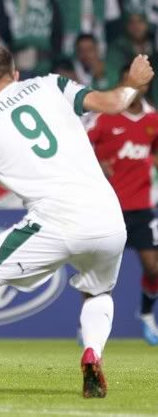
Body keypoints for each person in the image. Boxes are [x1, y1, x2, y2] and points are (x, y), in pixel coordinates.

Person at [0, 45, 153, 399]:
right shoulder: (51, 84)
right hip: (108, 215)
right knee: (98, 291)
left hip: (56, 220)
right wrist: (132, 82)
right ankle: (92, 352)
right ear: (15, 74)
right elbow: (115, 103)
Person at [88, 63, 158, 346]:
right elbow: (76, 145)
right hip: (106, 206)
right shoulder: (102, 118)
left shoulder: (153, 119)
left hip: (141, 207)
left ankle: (144, 314)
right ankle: (88, 324)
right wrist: (96, 163)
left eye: (141, 84)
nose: (137, 89)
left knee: (154, 267)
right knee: (93, 270)